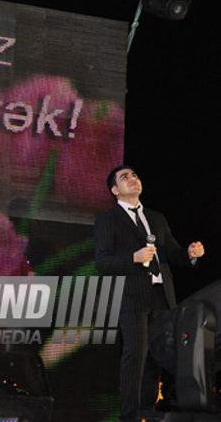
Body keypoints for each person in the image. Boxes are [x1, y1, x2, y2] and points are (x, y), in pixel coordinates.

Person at [94, 165, 204, 422]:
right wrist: (133, 258)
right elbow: (102, 262)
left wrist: (190, 254)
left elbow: (173, 253)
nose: (132, 179)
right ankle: (129, 416)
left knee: (156, 357)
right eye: (125, 177)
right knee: (136, 353)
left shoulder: (156, 218)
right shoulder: (107, 220)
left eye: (134, 175)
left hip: (162, 295)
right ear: (114, 190)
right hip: (131, 295)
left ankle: (146, 414)